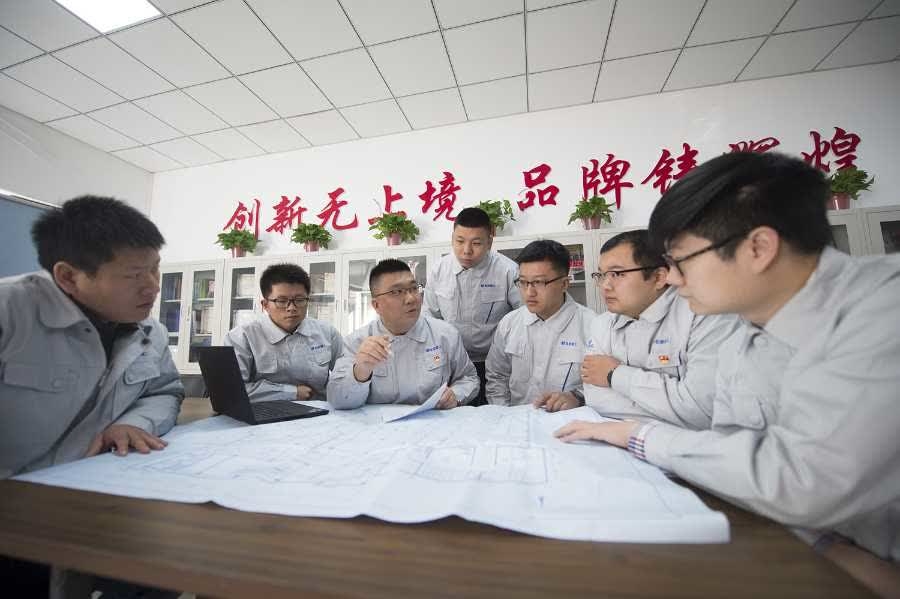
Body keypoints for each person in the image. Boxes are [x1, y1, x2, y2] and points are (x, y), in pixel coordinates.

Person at [554, 152, 900, 586]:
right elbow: (737, 455)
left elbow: (799, 481)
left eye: (682, 260)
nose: (672, 279)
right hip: (815, 549)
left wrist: (638, 434)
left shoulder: (883, 310)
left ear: (758, 248)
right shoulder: (745, 328)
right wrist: (827, 548)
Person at [0, 195, 184, 598]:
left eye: (155, 268)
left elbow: (165, 391)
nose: (153, 285)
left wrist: (134, 422)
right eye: (134, 274)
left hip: (91, 502)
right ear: (69, 277)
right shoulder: (9, 311)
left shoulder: (148, 331)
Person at [547, 230, 739, 428]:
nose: (605, 285)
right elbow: (597, 399)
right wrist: (668, 400)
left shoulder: (704, 316)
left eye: (617, 274)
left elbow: (701, 411)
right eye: (602, 275)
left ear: (659, 277)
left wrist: (615, 374)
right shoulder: (602, 324)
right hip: (609, 437)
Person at [327, 259, 478, 409]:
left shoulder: (445, 335)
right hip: (379, 423)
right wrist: (359, 372)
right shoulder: (356, 342)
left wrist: (456, 394)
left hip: (434, 419)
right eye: (397, 292)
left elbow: (469, 378)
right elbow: (337, 400)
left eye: (414, 288)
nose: (411, 298)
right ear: (376, 305)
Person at [423, 207, 521, 404]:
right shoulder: (439, 270)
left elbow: (522, 316)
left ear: (489, 242)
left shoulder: (508, 270)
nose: (466, 250)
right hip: (453, 364)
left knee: (496, 414)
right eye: (460, 241)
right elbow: (430, 317)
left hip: (496, 365)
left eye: (476, 243)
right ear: (452, 239)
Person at [486, 240, 594, 407]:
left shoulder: (592, 326)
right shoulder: (509, 323)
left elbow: (603, 386)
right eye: (523, 282)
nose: (529, 292)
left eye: (539, 282)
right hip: (516, 417)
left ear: (564, 284)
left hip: (569, 418)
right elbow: (497, 376)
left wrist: (578, 397)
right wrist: (503, 413)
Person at [224, 263, 341, 402]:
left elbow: (346, 376)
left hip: (320, 411)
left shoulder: (327, 333)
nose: (291, 308)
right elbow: (232, 390)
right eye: (281, 301)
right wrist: (291, 392)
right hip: (264, 413)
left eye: (299, 300)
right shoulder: (241, 337)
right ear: (265, 305)